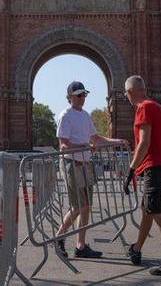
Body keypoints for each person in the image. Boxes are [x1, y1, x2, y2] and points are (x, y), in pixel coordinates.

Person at [54, 80, 128, 259]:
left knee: (86, 208)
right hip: (72, 163)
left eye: (84, 95)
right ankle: (58, 238)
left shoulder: (85, 116)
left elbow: (96, 138)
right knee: (78, 207)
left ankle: (80, 246)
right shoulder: (66, 115)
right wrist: (84, 146)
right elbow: (63, 145)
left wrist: (118, 141)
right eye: (78, 95)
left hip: (85, 164)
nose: (82, 98)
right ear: (70, 97)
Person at [123, 75, 161, 276]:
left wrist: (131, 169)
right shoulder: (159, 108)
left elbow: (144, 142)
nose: (127, 98)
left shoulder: (143, 108)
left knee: (158, 213)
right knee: (148, 210)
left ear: (130, 92)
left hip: (153, 166)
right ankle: (137, 248)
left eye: (126, 94)